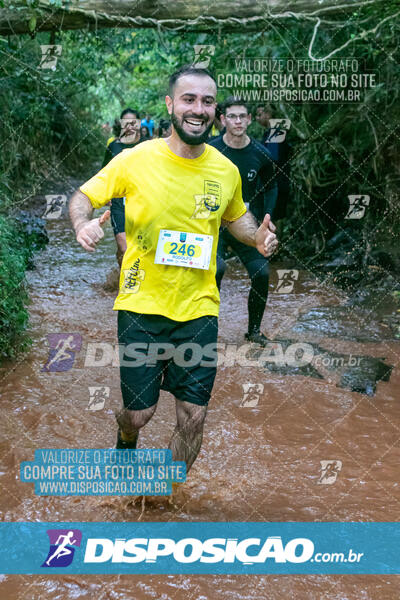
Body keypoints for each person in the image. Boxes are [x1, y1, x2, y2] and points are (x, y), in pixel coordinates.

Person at [69, 66, 278, 474]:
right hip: (142, 305)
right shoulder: (135, 160)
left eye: (206, 101)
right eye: (189, 99)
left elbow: (236, 217)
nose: (197, 109)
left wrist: (257, 238)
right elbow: (83, 196)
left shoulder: (225, 170)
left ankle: (169, 491)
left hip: (199, 311)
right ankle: (125, 440)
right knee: (139, 415)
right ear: (170, 105)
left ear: (215, 111)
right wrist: (82, 224)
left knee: (193, 416)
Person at [209, 98, 277, 346]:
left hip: (246, 224)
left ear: (249, 119)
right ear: (223, 120)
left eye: (242, 116)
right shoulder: (210, 150)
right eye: (232, 116)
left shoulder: (261, 153)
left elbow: (272, 186)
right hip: (214, 223)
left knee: (262, 273)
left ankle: (254, 332)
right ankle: (207, 331)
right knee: (215, 270)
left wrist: (268, 218)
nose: (237, 121)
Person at [102, 108, 141, 266]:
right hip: (119, 201)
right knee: (124, 248)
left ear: (138, 124)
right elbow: (104, 172)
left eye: (133, 122)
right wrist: (105, 195)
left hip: (143, 201)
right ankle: (123, 280)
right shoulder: (114, 146)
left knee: (140, 247)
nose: (130, 126)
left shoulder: (149, 145)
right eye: (126, 123)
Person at [256, 104, 291, 220]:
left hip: (276, 185)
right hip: (277, 184)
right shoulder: (271, 133)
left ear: (268, 115)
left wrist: (266, 184)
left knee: (274, 218)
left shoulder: (275, 132)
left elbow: (272, 160)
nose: (257, 118)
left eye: (259, 114)